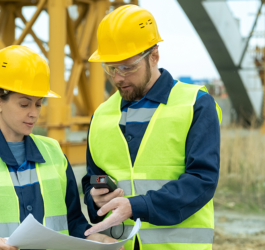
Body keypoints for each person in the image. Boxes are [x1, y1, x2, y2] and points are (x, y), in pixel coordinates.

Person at [0, 45, 123, 250]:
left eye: (38, 104)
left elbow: (72, 223)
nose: (34, 113)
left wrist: (96, 239)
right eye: (24, 105)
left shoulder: (54, 154)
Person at [82, 5, 222, 250]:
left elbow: (202, 180)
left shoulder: (196, 104)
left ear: (154, 55)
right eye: (111, 68)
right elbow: (92, 179)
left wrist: (136, 206)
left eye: (127, 67)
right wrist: (94, 199)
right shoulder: (101, 115)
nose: (118, 78)